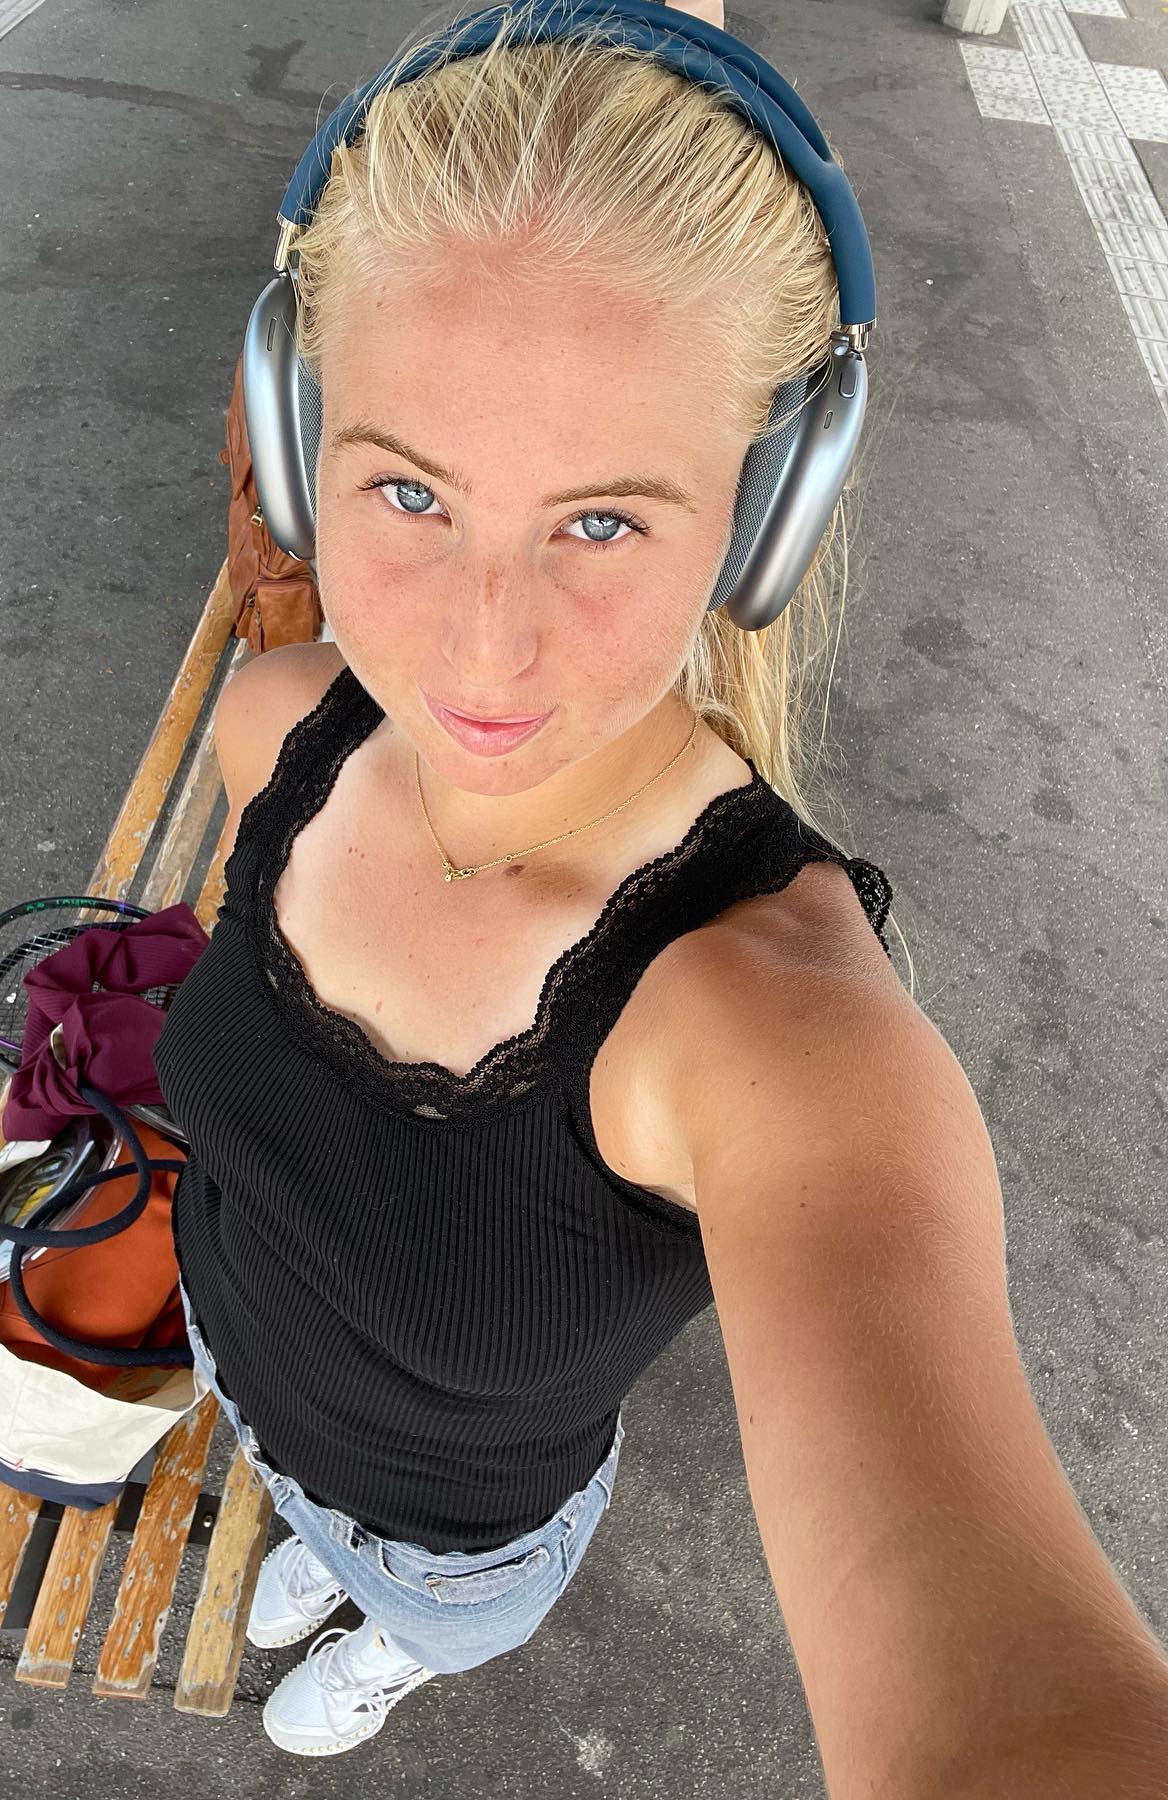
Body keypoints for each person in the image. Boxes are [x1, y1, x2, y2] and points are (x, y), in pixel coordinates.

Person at [154, 0, 1168, 1778]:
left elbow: (1012, 1710)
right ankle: (325, 1554)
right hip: (239, 1380)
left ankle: (401, 1636)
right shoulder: (281, 729)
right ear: (305, 442)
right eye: (409, 491)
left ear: (764, 519)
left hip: (461, 1546)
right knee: (298, 1503)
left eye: (604, 521)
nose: (481, 650)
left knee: (417, 1598)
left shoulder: (772, 1035)